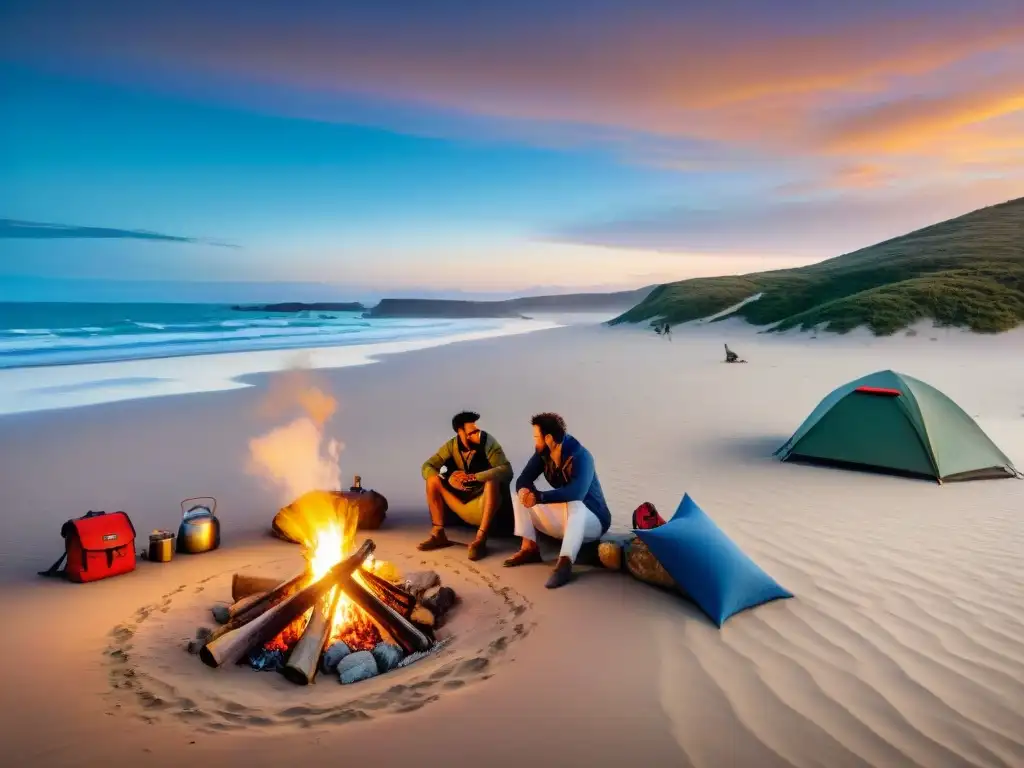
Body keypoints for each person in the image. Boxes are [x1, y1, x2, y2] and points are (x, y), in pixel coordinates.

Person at [504, 412, 612, 588]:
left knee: (575, 504)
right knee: (520, 494)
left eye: (536, 437)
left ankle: (565, 564)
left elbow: (576, 493)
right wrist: (527, 493)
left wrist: (539, 497)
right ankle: (529, 548)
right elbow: (523, 479)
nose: (534, 442)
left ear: (548, 438)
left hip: (593, 521)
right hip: (568, 519)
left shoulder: (581, 456)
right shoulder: (543, 454)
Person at [419, 410, 515, 560]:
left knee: (492, 479)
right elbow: (428, 465)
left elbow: (506, 470)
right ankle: (438, 533)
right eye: (471, 433)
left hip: (486, 501)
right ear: (460, 432)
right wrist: (451, 477)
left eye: (477, 432)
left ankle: (480, 538)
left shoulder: (488, 442)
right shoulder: (451, 446)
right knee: (432, 480)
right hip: (460, 500)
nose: (476, 436)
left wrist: (475, 477)